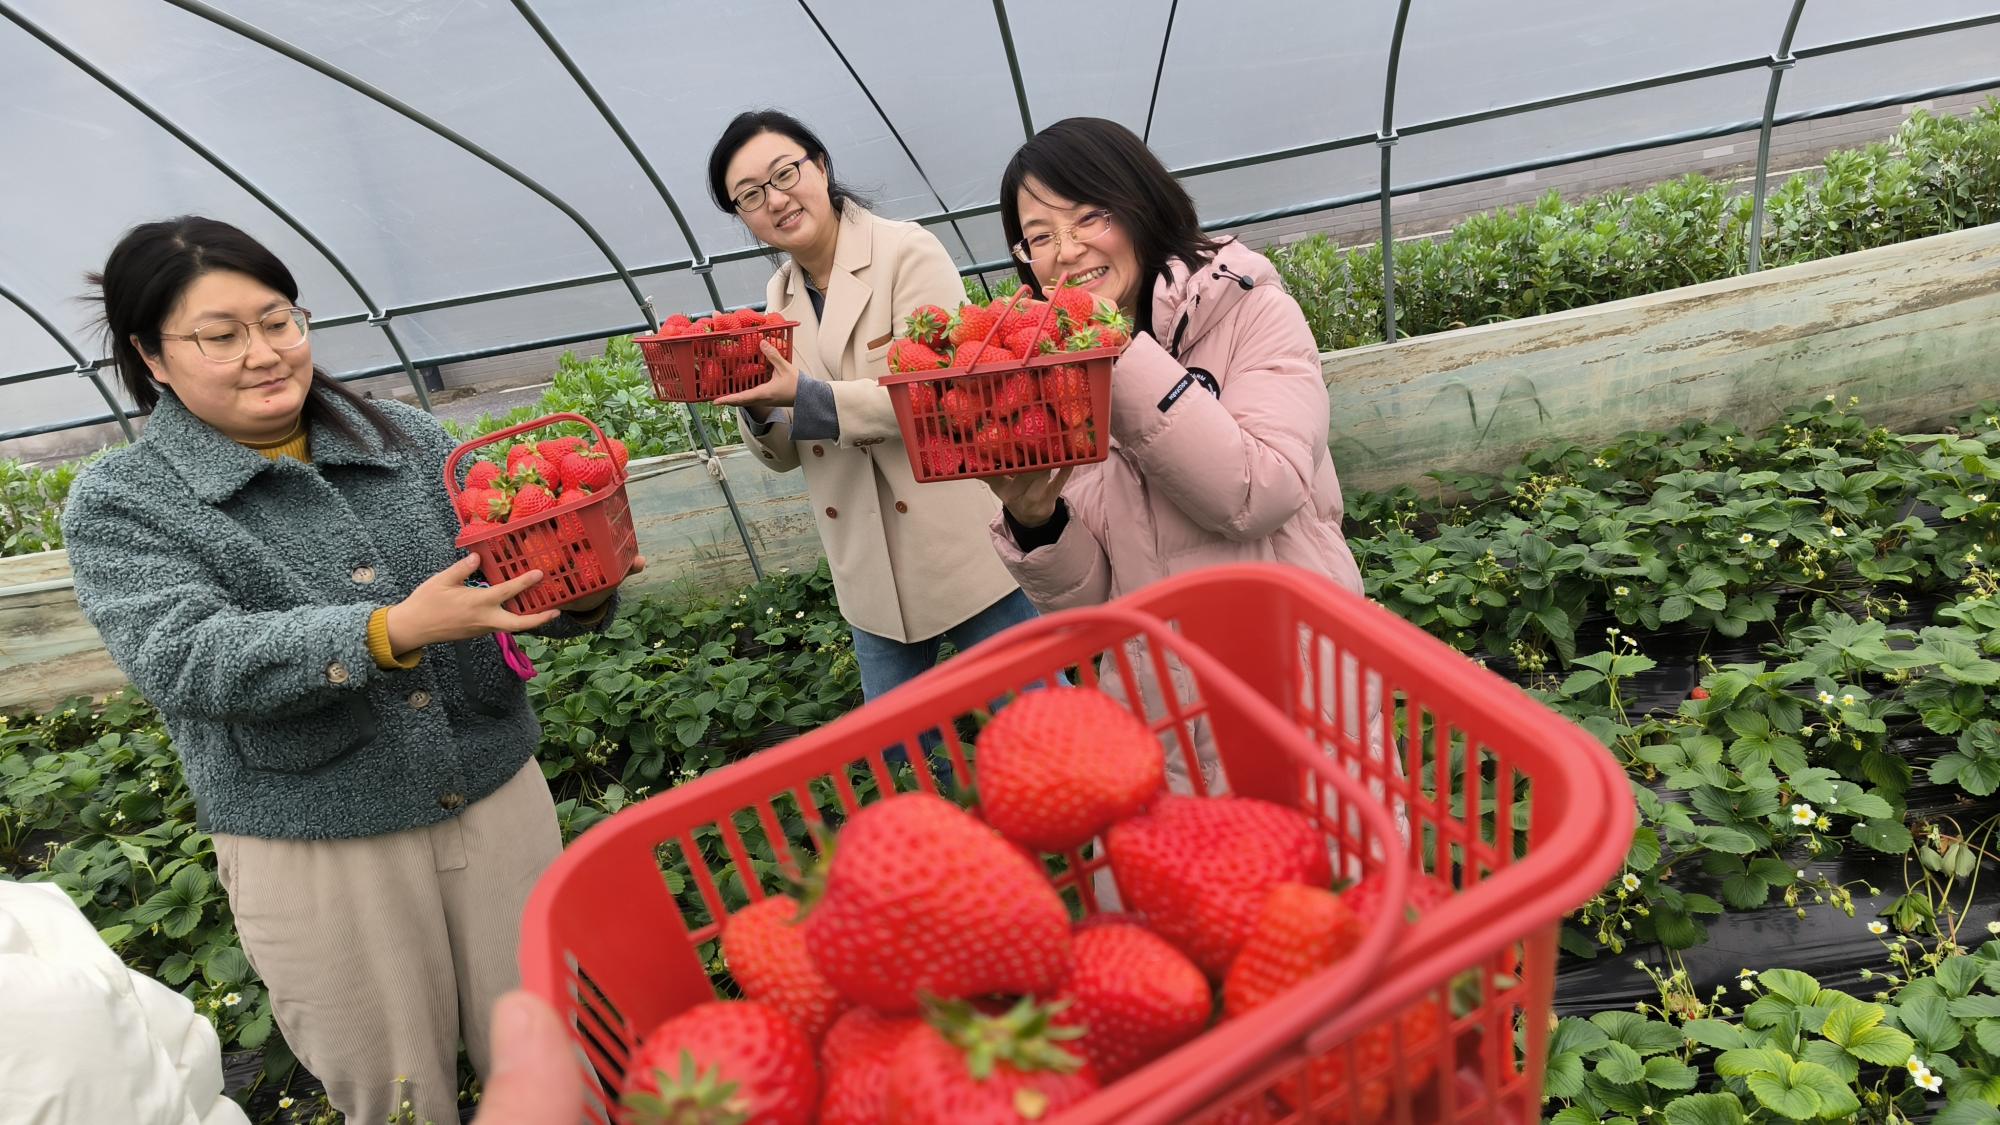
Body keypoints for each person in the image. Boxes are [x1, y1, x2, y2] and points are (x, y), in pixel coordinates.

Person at [59, 216, 642, 1125]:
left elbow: (499, 578)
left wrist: (577, 589)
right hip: (321, 844)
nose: (265, 353)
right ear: (152, 356)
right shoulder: (126, 501)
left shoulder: (404, 437)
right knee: (397, 1097)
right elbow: (187, 656)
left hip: (495, 798)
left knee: (561, 1062)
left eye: (278, 321)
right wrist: (388, 629)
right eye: (221, 336)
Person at [983, 118, 1365, 787]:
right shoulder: (1054, 378)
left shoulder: (1250, 311)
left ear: (1138, 203)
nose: (1066, 252)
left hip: (1295, 688)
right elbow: (1095, 613)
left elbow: (1260, 491)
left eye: (1089, 217)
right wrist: (1038, 523)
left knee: (1319, 847)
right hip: (1160, 714)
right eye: (1040, 237)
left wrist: (1120, 358)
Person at [706, 110, 1038, 714]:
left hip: (958, 548)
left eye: (785, 174)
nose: (775, 200)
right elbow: (785, 455)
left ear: (820, 165)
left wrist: (803, 396)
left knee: (1042, 725)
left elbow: (940, 394)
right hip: (867, 572)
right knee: (900, 750)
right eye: (749, 195)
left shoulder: (905, 252)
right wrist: (757, 408)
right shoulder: (779, 298)